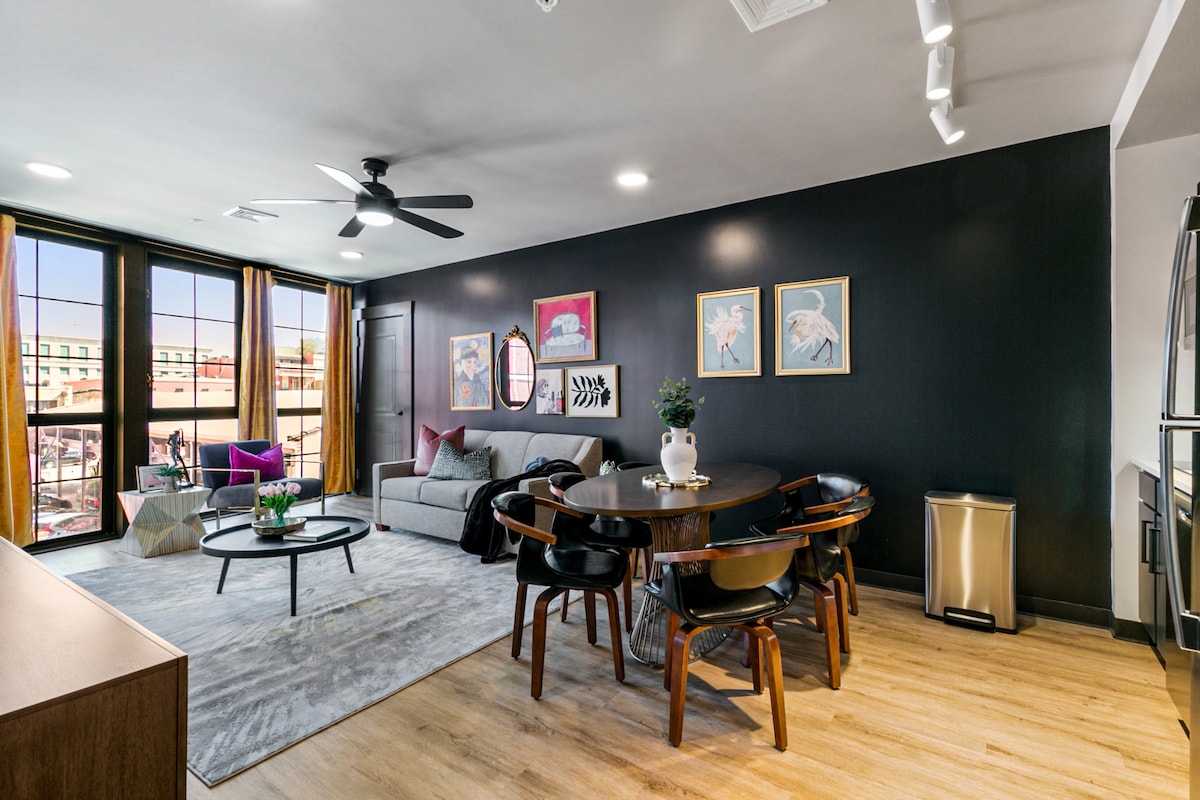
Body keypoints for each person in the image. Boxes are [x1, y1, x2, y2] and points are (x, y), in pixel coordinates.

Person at [454, 342, 489, 408]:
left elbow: (485, 403)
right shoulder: (457, 384)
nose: (473, 366)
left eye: (475, 362)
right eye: (469, 362)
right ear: (461, 363)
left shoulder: (479, 383)